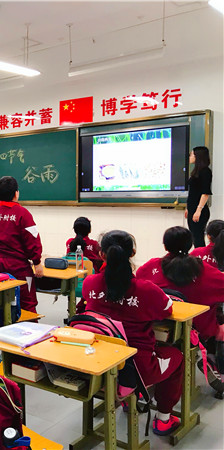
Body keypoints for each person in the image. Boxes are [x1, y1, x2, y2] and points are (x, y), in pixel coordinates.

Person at [81, 230, 183, 436]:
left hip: (99, 361)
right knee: (177, 357)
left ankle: (129, 397)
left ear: (101, 255)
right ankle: (163, 419)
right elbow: (167, 309)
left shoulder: (89, 283)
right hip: (138, 367)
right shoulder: (146, 290)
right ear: (133, 253)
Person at [136, 226, 224, 393]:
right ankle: (215, 363)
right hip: (196, 331)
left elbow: (137, 286)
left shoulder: (150, 267)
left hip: (154, 328)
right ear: (190, 245)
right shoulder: (204, 271)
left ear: (164, 246)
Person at [0, 176, 43, 313]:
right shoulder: (23, 214)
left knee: (0, 300)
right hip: (19, 267)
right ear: (16, 193)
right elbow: (32, 239)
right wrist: (37, 262)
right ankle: (29, 326)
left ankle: (2, 325)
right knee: (27, 301)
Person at [185, 146, 212, 248]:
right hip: (192, 208)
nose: (190, 157)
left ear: (198, 156)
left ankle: (200, 257)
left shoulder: (205, 172)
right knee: (194, 237)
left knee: (198, 238)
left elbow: (205, 193)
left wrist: (198, 210)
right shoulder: (196, 172)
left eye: (192, 155)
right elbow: (193, 192)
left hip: (199, 210)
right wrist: (188, 208)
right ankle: (197, 256)